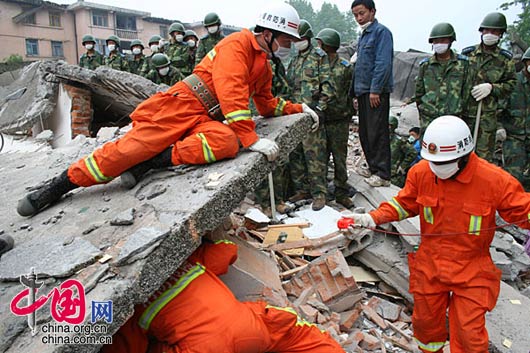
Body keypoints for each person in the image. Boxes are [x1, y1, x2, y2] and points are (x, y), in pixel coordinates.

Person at [17, 2, 320, 217]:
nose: (286, 46)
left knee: (226, 143)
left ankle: (155, 161)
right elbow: (231, 94)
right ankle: (59, 185)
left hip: (205, 117)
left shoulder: (263, 65)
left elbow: (266, 103)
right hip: (181, 105)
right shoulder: (236, 45)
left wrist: (298, 108)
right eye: (283, 40)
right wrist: (252, 139)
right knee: (124, 153)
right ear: (267, 32)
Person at [346, 115, 530, 353]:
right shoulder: (422, 172)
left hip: (472, 269)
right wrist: (371, 218)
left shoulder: (493, 180)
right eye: (433, 162)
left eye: (443, 163)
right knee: (425, 327)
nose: (437, 168)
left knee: (469, 335)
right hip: (430, 264)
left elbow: (522, 209)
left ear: (463, 156)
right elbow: (405, 204)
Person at [101, 240, 345, 353]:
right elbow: (228, 250)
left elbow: (128, 347)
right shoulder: (191, 262)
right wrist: (204, 244)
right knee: (289, 328)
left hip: (201, 348)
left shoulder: (132, 305)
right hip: (248, 330)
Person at [285, 19, 332, 211]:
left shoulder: (319, 56)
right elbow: (289, 86)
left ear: (309, 38)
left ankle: (319, 194)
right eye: (296, 39)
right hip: (296, 113)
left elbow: (327, 85)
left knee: (315, 155)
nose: (298, 42)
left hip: (313, 114)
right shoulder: (294, 60)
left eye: (301, 38)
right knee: (296, 154)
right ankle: (302, 189)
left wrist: (320, 108)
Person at [462, 12, 516, 162]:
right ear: (481, 31)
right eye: (486, 30)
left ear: (500, 34)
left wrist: (492, 88)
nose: (489, 34)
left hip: (487, 116)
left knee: (482, 159)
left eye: (494, 31)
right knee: (460, 155)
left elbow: (511, 84)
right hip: (466, 113)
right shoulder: (468, 55)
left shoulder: (505, 60)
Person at [350, 0, 394, 187]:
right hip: (363, 91)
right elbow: (359, 67)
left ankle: (383, 173)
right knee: (365, 132)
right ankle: (372, 166)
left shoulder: (381, 33)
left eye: (362, 13)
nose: (359, 18)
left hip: (375, 92)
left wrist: (375, 90)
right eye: (356, 15)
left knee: (378, 131)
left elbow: (383, 63)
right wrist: (355, 93)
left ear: (372, 12)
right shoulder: (363, 36)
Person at [315, 28, 355, 208]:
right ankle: (320, 194)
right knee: (320, 159)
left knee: (340, 159)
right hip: (321, 119)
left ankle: (341, 193)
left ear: (325, 44)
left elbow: (349, 92)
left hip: (339, 120)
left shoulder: (345, 67)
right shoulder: (316, 65)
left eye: (320, 43)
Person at [415, 23, 472, 133]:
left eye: (443, 40)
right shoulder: (426, 66)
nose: (439, 44)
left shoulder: (462, 64)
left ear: (451, 41)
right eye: (436, 41)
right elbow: (419, 93)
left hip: (454, 118)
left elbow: (466, 92)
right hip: (429, 118)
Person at [501, 47, 530, 189]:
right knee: (514, 180)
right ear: (525, 63)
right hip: (514, 139)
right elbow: (498, 109)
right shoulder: (513, 83)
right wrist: (500, 129)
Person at [388, 116, 417, 187]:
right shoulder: (382, 139)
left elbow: (413, 153)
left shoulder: (399, 141)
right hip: (381, 173)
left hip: (394, 177)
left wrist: (402, 166)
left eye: (390, 125)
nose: (388, 127)